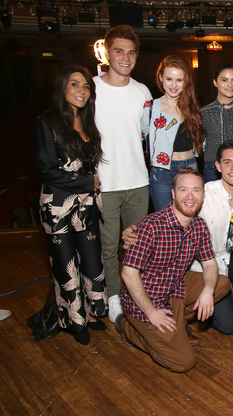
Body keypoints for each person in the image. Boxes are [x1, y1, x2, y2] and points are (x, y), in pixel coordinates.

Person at [123, 140, 233, 333]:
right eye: (227, 162)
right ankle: (187, 312)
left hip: (232, 257)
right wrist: (135, 231)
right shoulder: (202, 193)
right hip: (201, 264)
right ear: (218, 166)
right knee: (230, 327)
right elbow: (170, 216)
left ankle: (231, 292)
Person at [116, 168, 231, 372]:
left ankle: (178, 322)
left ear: (203, 196)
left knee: (221, 283)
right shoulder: (152, 226)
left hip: (174, 289)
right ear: (173, 193)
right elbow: (128, 273)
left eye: (196, 191)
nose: (189, 196)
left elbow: (210, 263)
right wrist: (151, 312)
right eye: (183, 190)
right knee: (183, 362)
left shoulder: (199, 226)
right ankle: (128, 328)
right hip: (146, 300)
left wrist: (207, 290)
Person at [34, 65, 107, 345]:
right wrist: (87, 183)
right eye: (75, 84)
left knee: (90, 261)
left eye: (87, 86)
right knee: (66, 267)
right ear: (62, 87)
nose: (81, 91)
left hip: (87, 206)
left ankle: (89, 312)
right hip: (58, 208)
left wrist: (90, 188)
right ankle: (73, 321)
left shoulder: (87, 122)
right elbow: (46, 169)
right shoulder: (47, 122)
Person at [94, 25, 152, 322]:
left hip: (138, 183)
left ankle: (135, 295)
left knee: (137, 247)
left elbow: (145, 135)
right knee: (107, 248)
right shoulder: (90, 88)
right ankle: (114, 296)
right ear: (107, 52)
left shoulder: (142, 92)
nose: (125, 57)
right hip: (103, 184)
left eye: (131, 52)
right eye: (119, 51)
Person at [143, 55, 203, 211]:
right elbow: (141, 137)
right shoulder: (150, 107)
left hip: (190, 166)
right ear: (161, 78)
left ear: (185, 82)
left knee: (189, 218)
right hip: (162, 171)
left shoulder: (192, 107)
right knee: (164, 221)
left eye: (179, 80)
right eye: (169, 79)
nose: (174, 85)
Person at [201, 64, 233, 184]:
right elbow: (197, 142)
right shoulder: (205, 112)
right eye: (224, 80)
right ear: (215, 82)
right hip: (213, 169)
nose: (230, 85)